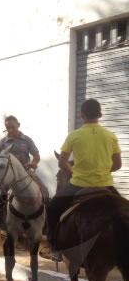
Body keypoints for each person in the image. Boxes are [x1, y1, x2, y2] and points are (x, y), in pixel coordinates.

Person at [40, 99, 121, 262]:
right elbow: (118, 164)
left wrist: (74, 170)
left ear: (82, 115)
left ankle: (54, 248)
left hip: (79, 184)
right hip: (105, 185)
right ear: (100, 114)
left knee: (52, 208)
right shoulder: (111, 136)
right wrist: (101, 171)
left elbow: (62, 162)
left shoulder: (74, 136)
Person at [0, 115, 48, 228]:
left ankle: (45, 222)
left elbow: (36, 155)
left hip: (26, 173)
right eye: (8, 127)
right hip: (8, 175)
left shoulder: (27, 140)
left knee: (44, 190)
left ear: (18, 125)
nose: (10, 130)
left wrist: (34, 163)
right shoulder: (3, 141)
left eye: (12, 127)